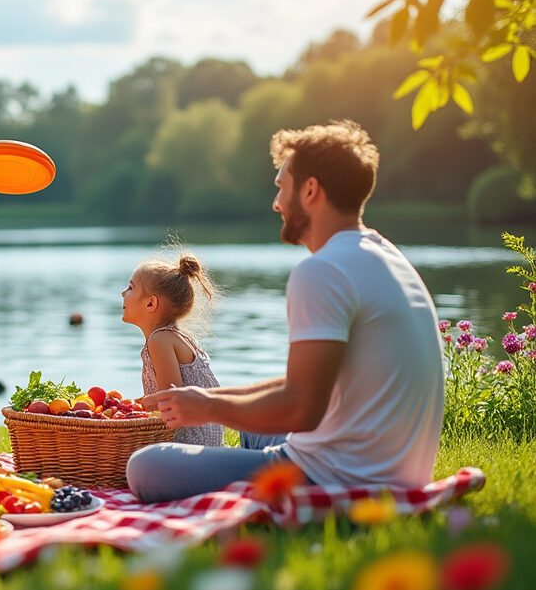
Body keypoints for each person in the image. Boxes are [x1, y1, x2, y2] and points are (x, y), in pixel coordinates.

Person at [127, 119, 444, 502]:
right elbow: (302, 385)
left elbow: (301, 409)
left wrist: (209, 405)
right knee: (253, 431)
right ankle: (239, 471)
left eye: (281, 186)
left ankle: (238, 479)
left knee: (145, 467)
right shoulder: (386, 256)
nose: (276, 202)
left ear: (310, 190)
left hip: (337, 477)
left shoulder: (322, 271)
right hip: (398, 471)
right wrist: (205, 402)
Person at [121, 254, 224, 446]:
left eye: (130, 288)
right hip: (201, 442)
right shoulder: (170, 336)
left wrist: (126, 407)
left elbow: (170, 400)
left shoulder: (159, 339)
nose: (123, 293)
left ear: (150, 303)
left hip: (191, 444)